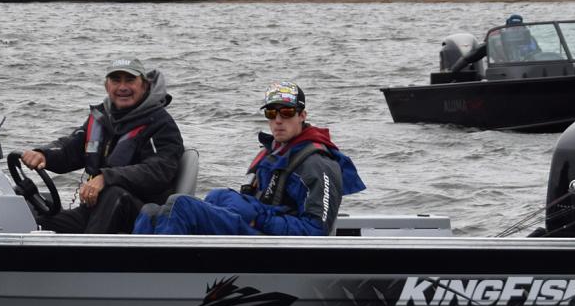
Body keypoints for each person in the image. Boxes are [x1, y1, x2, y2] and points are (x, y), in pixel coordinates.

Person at [134, 83, 364, 237]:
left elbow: (316, 232)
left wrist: (259, 218)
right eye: (271, 114)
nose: (278, 121)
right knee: (151, 211)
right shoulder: (273, 153)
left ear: (302, 116)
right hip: (256, 231)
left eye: (286, 113)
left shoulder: (319, 164)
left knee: (182, 205)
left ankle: (168, 280)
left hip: (274, 245)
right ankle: (136, 279)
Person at [18, 58, 184, 234]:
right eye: (116, 80)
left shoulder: (161, 124)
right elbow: (70, 151)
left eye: (129, 80)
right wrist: (43, 155)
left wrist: (106, 178)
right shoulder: (101, 118)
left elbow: (159, 171)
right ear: (107, 86)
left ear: (144, 85)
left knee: (113, 195)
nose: (122, 87)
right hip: (95, 209)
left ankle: (91, 258)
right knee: (31, 214)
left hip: (143, 215)